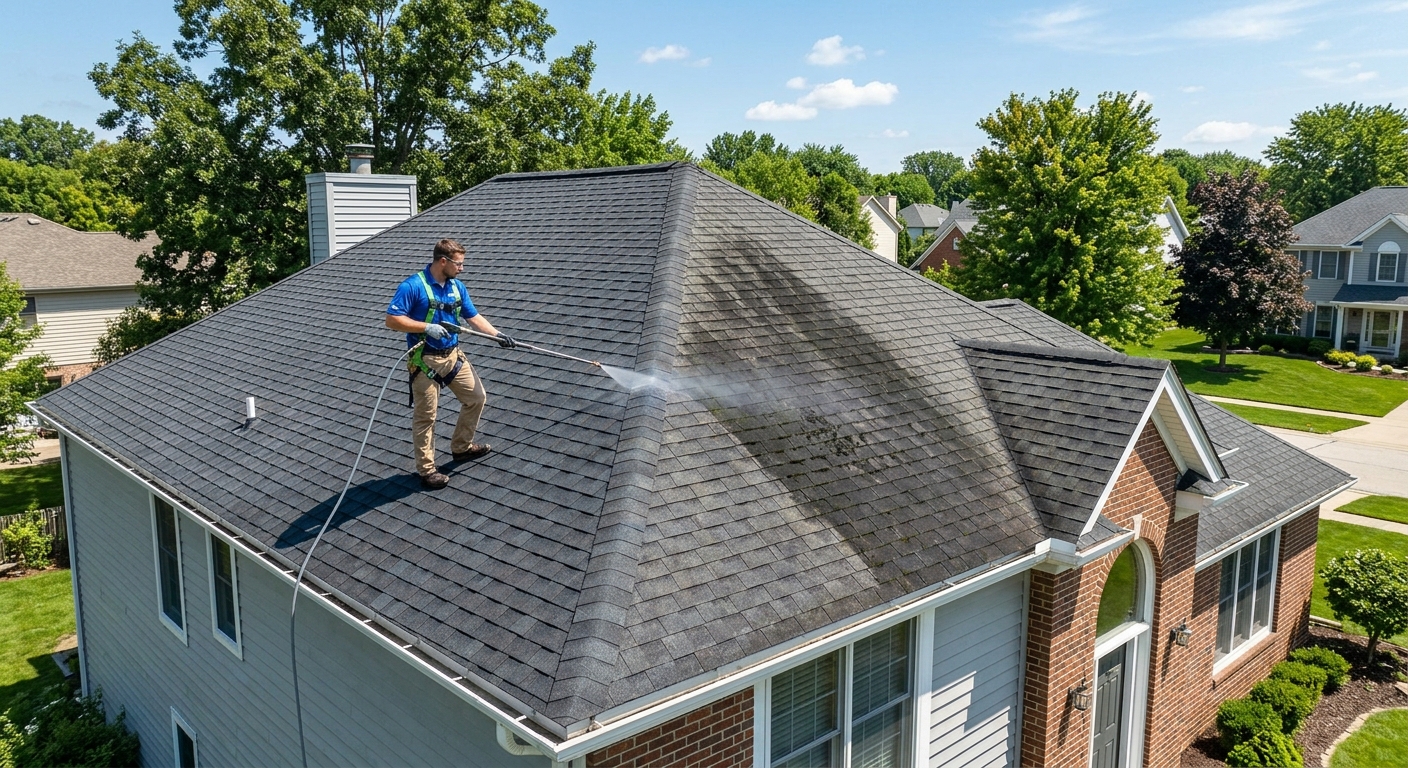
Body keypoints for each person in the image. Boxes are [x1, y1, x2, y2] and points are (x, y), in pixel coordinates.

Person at [385, 239, 515, 489]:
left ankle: (462, 447)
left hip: (453, 355)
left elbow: (472, 316)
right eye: (459, 264)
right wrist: (426, 327)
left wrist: (497, 335)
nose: (462, 269)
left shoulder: (457, 287)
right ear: (442, 261)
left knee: (476, 397)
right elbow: (392, 320)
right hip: (425, 360)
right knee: (427, 417)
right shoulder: (413, 287)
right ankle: (427, 470)